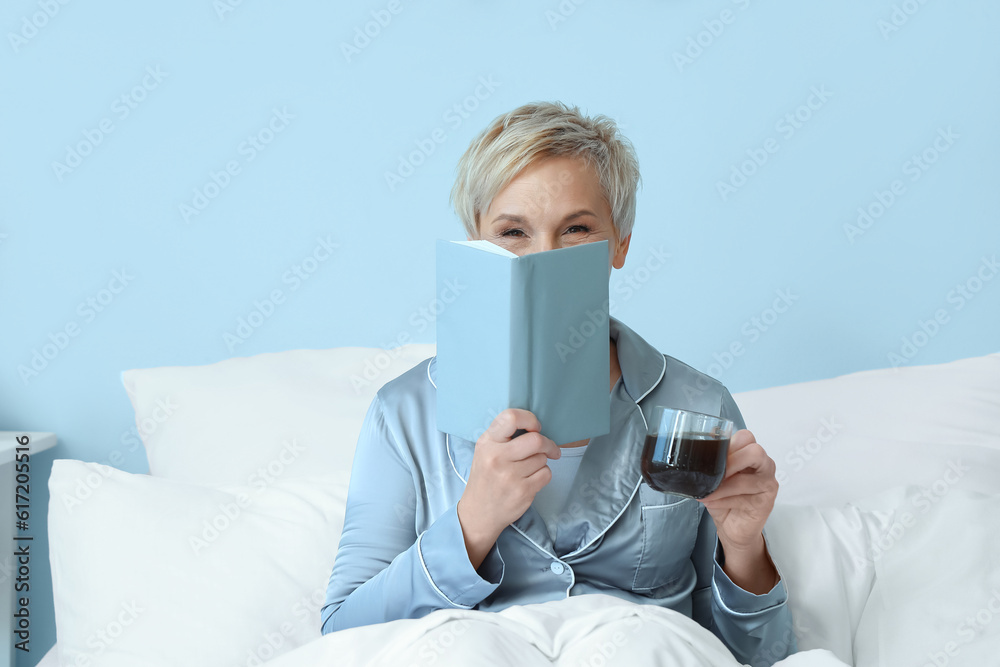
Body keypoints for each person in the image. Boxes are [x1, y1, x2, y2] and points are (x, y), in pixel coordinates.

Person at [320, 101, 796, 665]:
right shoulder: (403, 412)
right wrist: (473, 524)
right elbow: (343, 635)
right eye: (513, 232)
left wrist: (744, 549)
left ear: (619, 244)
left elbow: (760, 657)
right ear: (477, 246)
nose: (544, 257)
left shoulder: (696, 403)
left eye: (576, 229)